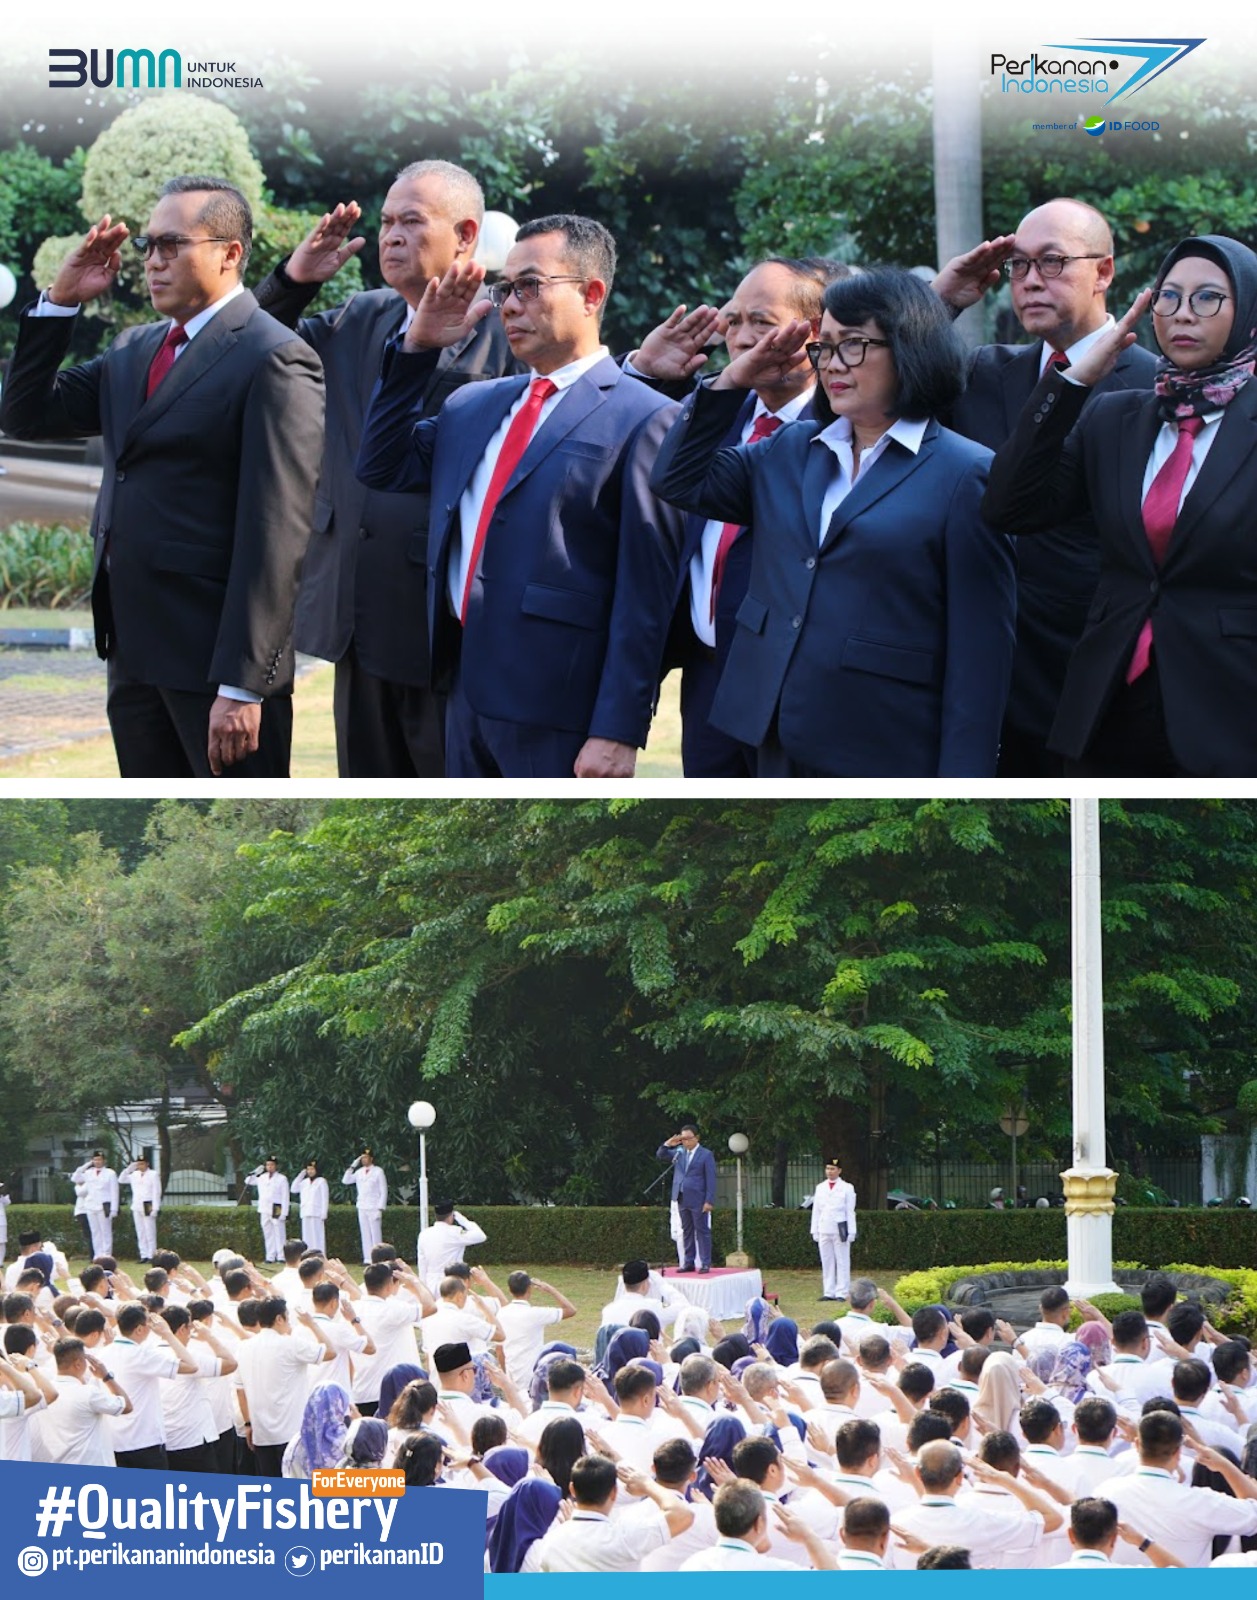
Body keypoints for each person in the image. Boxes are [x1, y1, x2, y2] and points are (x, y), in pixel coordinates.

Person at [0, 178, 324, 777]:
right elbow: (25, 413)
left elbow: (277, 531)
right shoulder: (133, 349)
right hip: (133, 653)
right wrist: (61, 300)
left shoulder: (273, 355)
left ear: (229, 252)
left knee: (234, 840)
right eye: (149, 245)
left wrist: (244, 684)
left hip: (216, 668)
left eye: (172, 244)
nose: (153, 260)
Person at [355, 213, 685, 778]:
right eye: (504, 288)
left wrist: (617, 730)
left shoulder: (647, 417)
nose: (509, 305)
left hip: (562, 710)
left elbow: (646, 597)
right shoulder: (472, 406)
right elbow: (381, 464)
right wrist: (416, 349)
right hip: (461, 694)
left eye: (529, 286)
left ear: (591, 293)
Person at [652, 267, 1016, 776]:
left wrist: (965, 784)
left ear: (910, 347)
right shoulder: (790, 448)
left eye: (854, 344)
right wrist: (733, 379)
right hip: (767, 730)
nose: (831, 364)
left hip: (882, 740)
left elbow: (981, 654)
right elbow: (678, 479)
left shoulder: (966, 473)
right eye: (824, 347)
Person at [253, 163, 518, 776]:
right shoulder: (359, 318)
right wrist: (294, 280)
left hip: (445, 616)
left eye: (412, 222)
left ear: (465, 235)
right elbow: (247, 345)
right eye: (386, 222)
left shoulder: (507, 331)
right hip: (356, 601)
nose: (391, 236)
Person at [984, 234, 1257, 775]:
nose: (1183, 314)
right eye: (1169, 297)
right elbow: (1007, 507)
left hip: (1228, 711)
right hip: (1105, 706)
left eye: (1207, 298)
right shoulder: (1117, 417)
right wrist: (1074, 383)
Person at [935, 198, 1158, 775]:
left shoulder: (1156, 389)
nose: (1031, 281)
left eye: (1053, 262)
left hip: (1089, 682)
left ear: (1103, 271)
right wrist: (940, 303)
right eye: (1019, 266)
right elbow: (871, 393)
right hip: (974, 671)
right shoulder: (985, 371)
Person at [629, 257, 840, 774]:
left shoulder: (845, 433)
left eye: (762, 323)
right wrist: (646, 371)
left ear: (815, 334)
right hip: (707, 678)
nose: (741, 338)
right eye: (733, 321)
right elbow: (654, 465)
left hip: (797, 686)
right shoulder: (710, 416)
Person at [496, 1270, 577, 1390]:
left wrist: (506, 1375)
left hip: (512, 1378)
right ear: (529, 1289)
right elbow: (570, 1310)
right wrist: (550, 1289)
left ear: (509, 1289)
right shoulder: (535, 1314)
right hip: (533, 1378)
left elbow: (499, 1349)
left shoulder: (501, 1313)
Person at [655, 1125, 717, 1273]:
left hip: (698, 1198)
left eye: (688, 1139)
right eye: (683, 1139)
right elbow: (661, 1155)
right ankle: (688, 1262)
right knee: (686, 1230)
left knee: (701, 1230)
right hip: (681, 1196)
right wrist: (668, 1144)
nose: (686, 1142)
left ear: (696, 1138)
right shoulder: (679, 1152)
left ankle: (705, 1262)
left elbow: (711, 1179)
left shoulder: (706, 1154)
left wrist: (709, 1200)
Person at [809, 1157, 857, 1302]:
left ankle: (842, 1292)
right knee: (827, 1260)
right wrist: (814, 1230)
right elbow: (816, 1210)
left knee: (842, 1260)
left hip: (840, 1228)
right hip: (824, 1227)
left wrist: (852, 1231)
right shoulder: (820, 1187)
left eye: (833, 1169)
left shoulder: (847, 1187)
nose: (829, 1172)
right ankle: (828, 1291)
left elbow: (850, 1211)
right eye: (828, 1168)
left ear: (839, 1171)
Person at [341, 1147, 387, 1263]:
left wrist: (380, 1208)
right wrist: (353, 1165)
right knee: (365, 1233)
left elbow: (383, 1190)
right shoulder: (359, 1172)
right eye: (362, 1158)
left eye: (366, 1157)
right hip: (362, 1205)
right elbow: (345, 1180)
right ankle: (367, 1258)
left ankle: (378, 1258)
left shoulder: (378, 1171)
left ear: (371, 1158)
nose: (364, 1160)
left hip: (373, 1206)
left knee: (375, 1234)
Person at [71, 1152, 119, 1258]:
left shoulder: (110, 1173)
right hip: (91, 1205)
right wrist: (87, 1165)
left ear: (104, 1160)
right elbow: (75, 1178)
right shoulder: (89, 1172)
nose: (97, 1162)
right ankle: (97, 1255)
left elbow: (114, 1192)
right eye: (95, 1159)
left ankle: (106, 1254)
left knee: (105, 1231)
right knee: (95, 1232)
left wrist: (114, 1209)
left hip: (104, 1205)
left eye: (99, 1159)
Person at [244, 1156, 290, 1263]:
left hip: (277, 1207)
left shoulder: (282, 1178)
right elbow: (247, 1180)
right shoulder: (261, 1177)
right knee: (268, 1233)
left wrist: (284, 1212)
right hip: (264, 1208)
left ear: (276, 1166)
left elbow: (285, 1197)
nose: (270, 1167)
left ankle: (281, 1256)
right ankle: (270, 1256)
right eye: (268, 1165)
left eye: (272, 1165)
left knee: (279, 1232)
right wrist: (255, 1171)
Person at [118, 1155, 161, 1263]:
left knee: (149, 1231)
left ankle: (152, 1255)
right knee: (140, 1231)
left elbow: (156, 1192)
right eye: (138, 1163)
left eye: (142, 1163)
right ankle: (144, 1255)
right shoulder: (134, 1174)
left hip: (148, 1204)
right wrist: (130, 1168)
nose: (140, 1166)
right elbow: (121, 1179)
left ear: (147, 1164)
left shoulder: (153, 1174)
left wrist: (156, 1208)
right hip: (137, 1205)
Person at [291, 1160, 329, 1256]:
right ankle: (308, 1254)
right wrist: (301, 1174)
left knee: (317, 1236)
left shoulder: (321, 1181)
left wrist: (324, 1212)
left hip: (317, 1212)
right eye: (308, 1169)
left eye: (312, 1169)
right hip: (305, 1211)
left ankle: (319, 1255)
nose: (310, 1171)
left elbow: (325, 1198)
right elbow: (293, 1189)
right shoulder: (304, 1182)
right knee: (307, 1236)